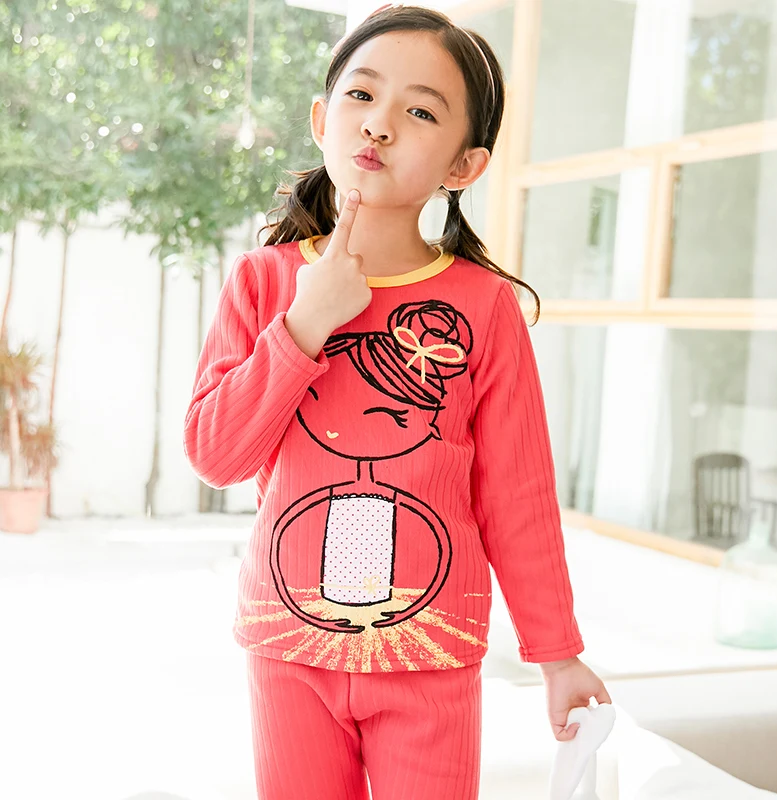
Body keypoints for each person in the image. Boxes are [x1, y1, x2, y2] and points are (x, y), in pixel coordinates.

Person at [184, 4, 611, 799]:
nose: (379, 124)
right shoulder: (264, 282)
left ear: (464, 166)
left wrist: (557, 653)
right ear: (322, 120)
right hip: (287, 645)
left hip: (433, 652)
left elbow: (517, 495)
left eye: (420, 112)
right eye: (361, 95)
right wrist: (305, 324)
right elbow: (216, 455)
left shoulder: (484, 308)